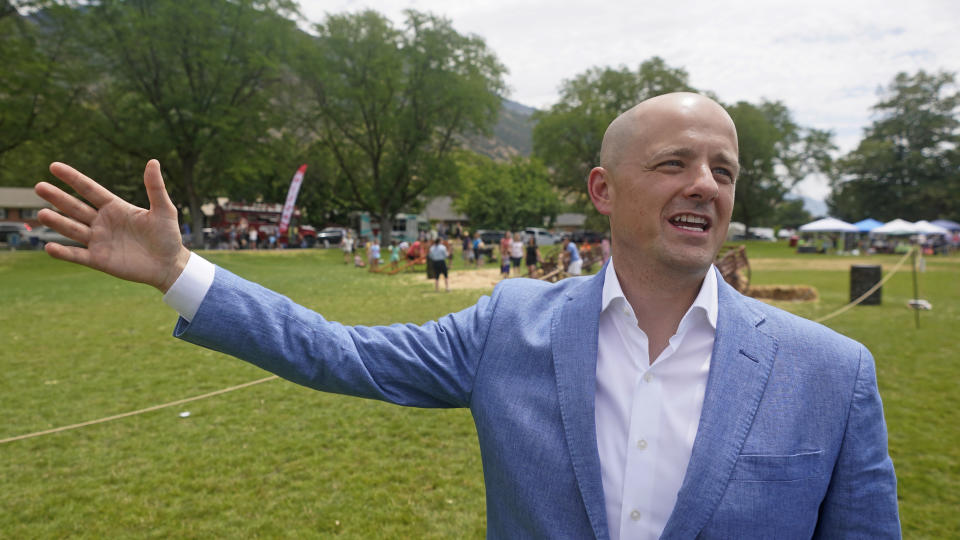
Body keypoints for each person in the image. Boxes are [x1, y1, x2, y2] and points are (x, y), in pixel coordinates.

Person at [33, 92, 899, 539]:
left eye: (723, 169)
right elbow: (337, 352)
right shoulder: (509, 326)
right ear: (604, 190)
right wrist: (180, 272)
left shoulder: (831, 372)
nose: (704, 185)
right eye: (674, 162)